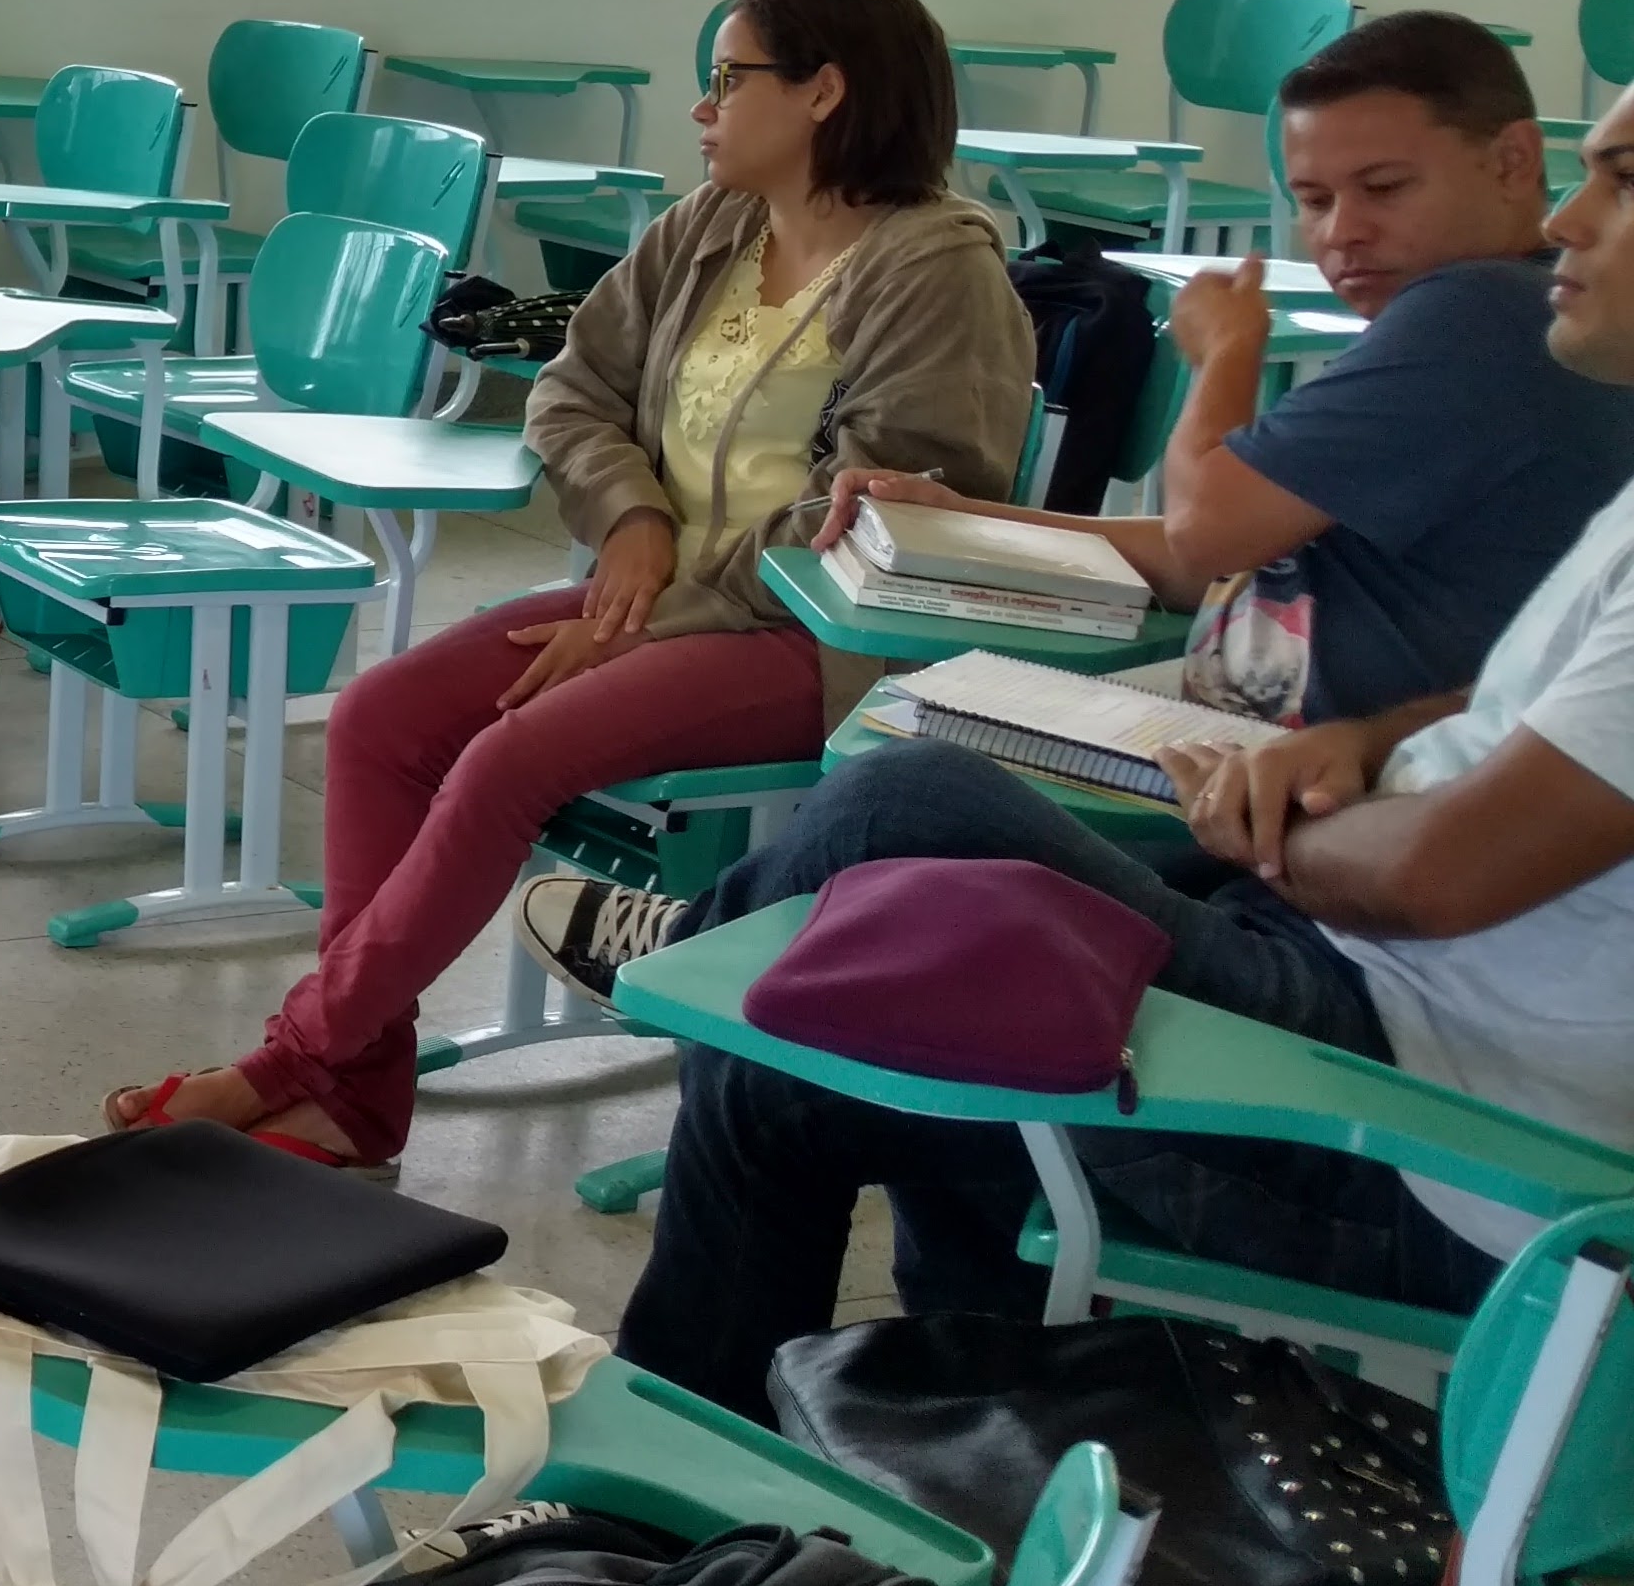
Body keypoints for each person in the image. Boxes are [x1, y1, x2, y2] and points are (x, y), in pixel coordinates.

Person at [602, 92, 1634, 1422]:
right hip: (1397, 1015)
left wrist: (1259, 829)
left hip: (1454, 1152)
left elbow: (1436, 872)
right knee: (891, 994)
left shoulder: (1477, 320)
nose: (1569, 214)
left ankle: (685, 954)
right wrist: (1366, 740)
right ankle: (959, 1452)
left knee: (904, 817)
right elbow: (1526, 716)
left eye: (1621, 177)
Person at [111, 0, 1033, 1167]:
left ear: (823, 92)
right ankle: (357, 1094)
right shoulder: (713, 227)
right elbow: (570, 386)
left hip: (821, 636)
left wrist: (640, 624)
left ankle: (297, 1062)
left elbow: (863, 521)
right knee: (380, 719)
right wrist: (631, 520)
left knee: (507, 758)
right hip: (665, 596)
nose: (702, 110)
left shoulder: (934, 269)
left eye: (728, 79)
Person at [757, 9, 1633, 745]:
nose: (1342, 234)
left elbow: (1206, 534)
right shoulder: (1472, 321)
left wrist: (1224, 354)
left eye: (1386, 188)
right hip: (1242, 729)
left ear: (1515, 162)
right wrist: (971, 518)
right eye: (1317, 201)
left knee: (900, 772)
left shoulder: (1475, 311)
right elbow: (1200, 557)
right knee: (914, 743)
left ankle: (663, 931)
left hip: (1303, 772)